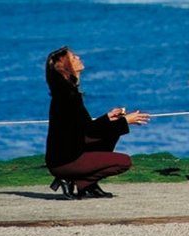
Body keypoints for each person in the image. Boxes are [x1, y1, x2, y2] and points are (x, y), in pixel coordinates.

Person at [44, 46, 149, 199]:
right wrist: (126, 121)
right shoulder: (67, 96)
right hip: (65, 160)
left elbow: (83, 127)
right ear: (65, 67)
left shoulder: (67, 92)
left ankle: (86, 184)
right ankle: (81, 182)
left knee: (112, 133)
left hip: (68, 154)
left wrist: (108, 117)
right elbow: (89, 131)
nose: (79, 57)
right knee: (124, 162)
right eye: (74, 58)